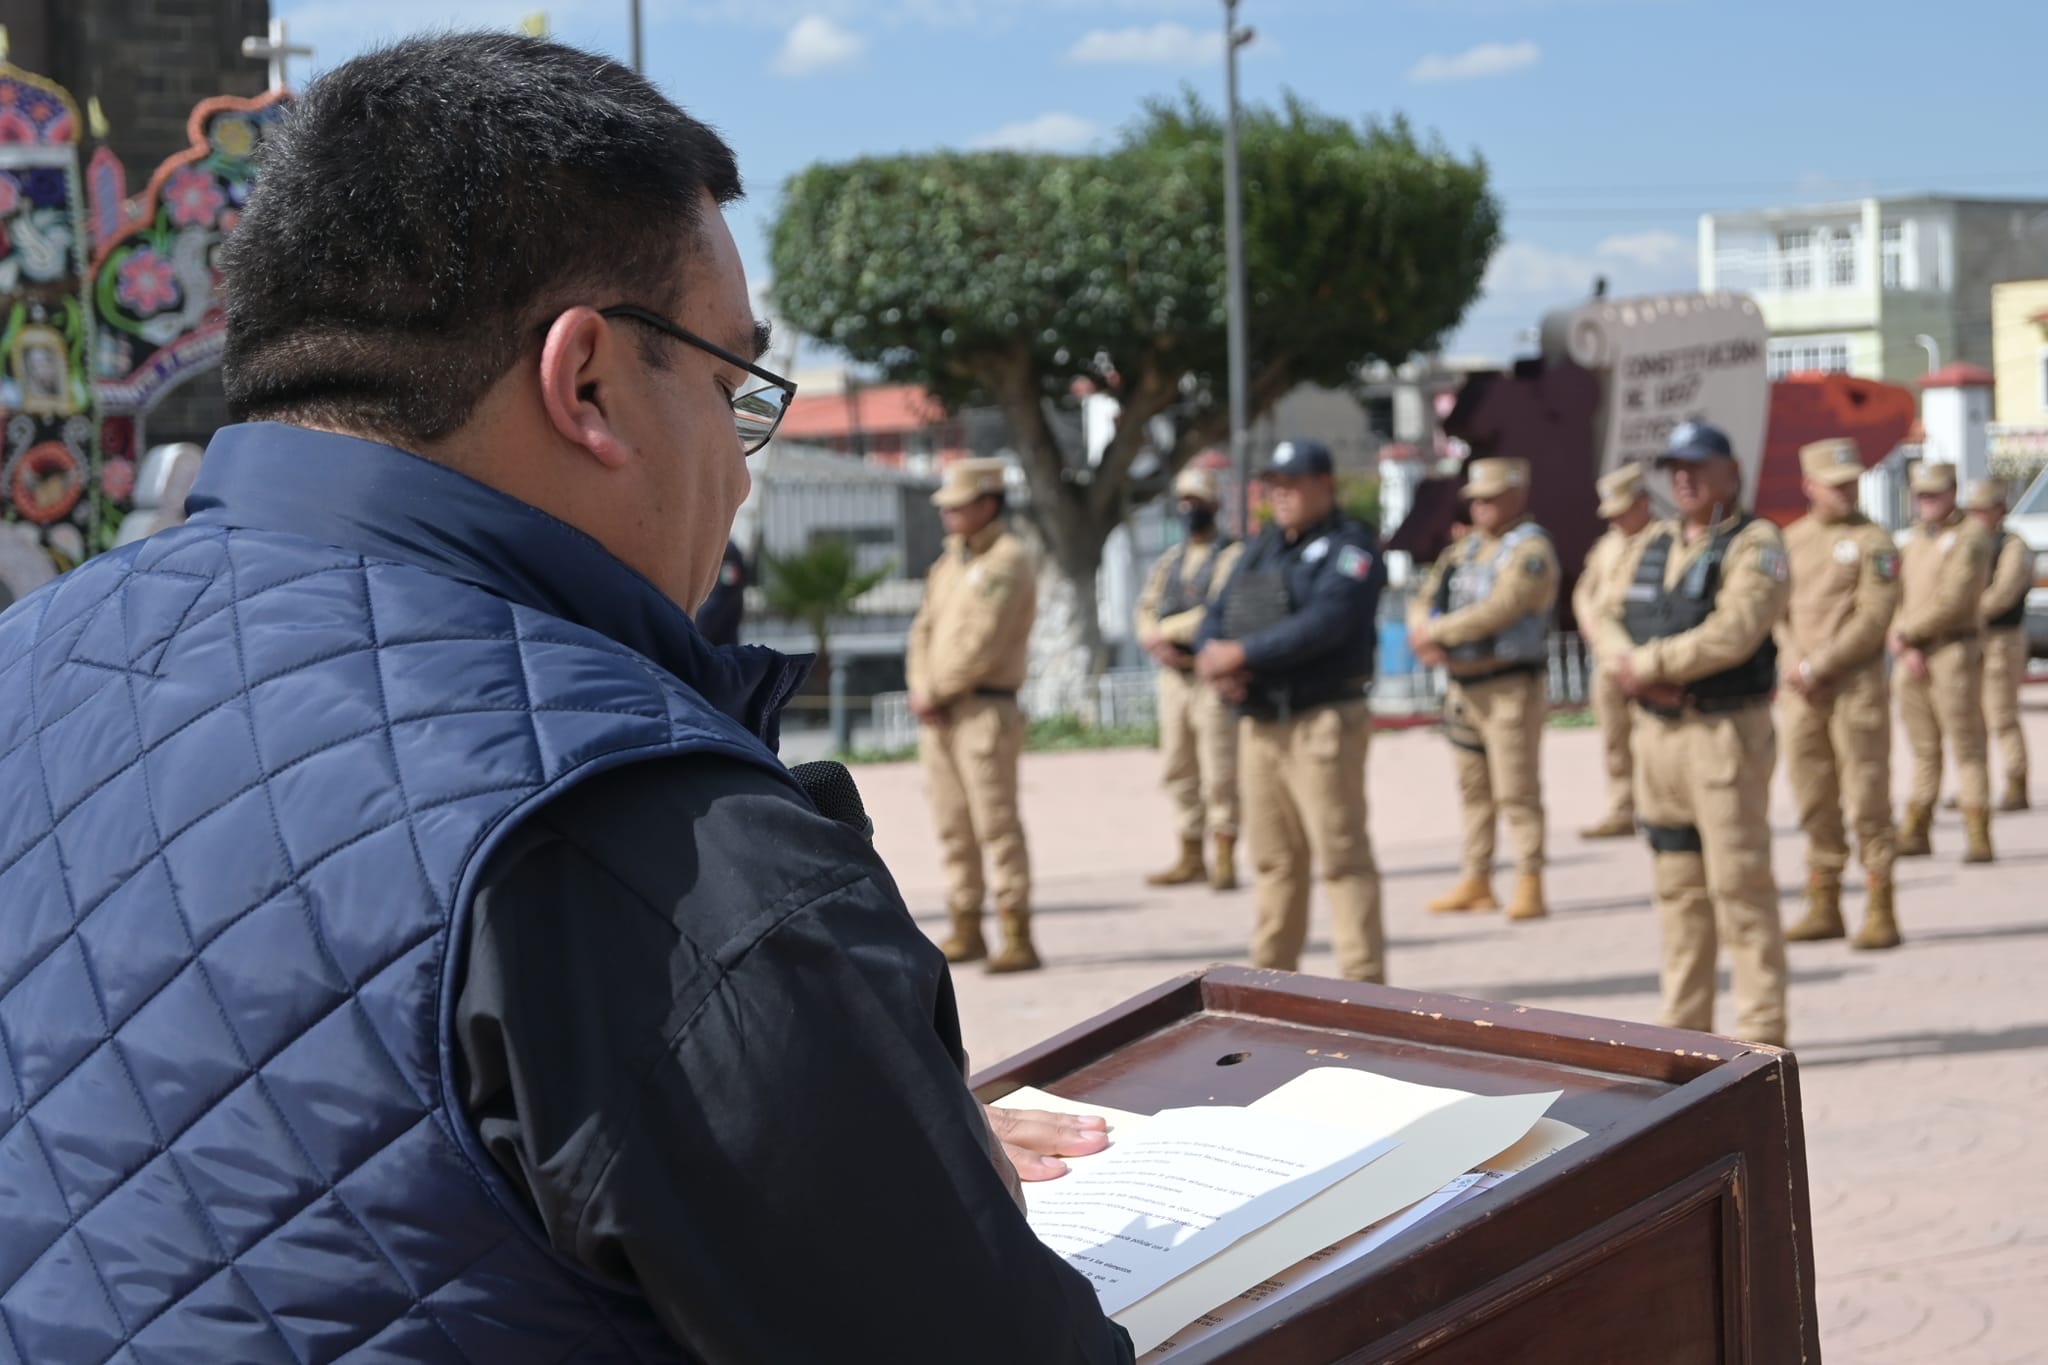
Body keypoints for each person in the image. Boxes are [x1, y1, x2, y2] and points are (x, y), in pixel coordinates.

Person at [0, 35, 1134, 1364]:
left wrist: (830, 1141)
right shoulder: (651, 840)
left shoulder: (39, 654)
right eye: (728, 388)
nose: (742, 469)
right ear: (588, 381)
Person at [1596, 421, 1791, 1047]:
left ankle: (1761, 1029)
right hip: (1659, 742)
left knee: (1739, 884)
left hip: (1722, 735)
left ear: (1730, 472)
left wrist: (1647, 666)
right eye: (1675, 468)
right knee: (1677, 890)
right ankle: (1686, 1031)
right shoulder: (1651, 541)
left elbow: (1736, 631)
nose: (1684, 478)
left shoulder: (1754, 543)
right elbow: (1602, 613)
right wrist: (1623, 664)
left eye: (1698, 466)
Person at [1196, 438, 1388, 981]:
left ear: (1324, 485)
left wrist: (1245, 654)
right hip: (1261, 723)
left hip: (1321, 721)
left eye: (1291, 484)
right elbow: (1220, 610)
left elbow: (1327, 623)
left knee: (1342, 857)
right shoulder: (1262, 548)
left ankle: (1365, 987)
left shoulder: (1352, 548)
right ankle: (1273, 984)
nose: (1279, 496)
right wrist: (1218, 658)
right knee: (1274, 863)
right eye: (1273, 485)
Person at [1408, 456, 1558, 921]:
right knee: (1473, 790)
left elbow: (1502, 607)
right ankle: (1477, 879)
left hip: (1509, 687)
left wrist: (1439, 632)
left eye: (1491, 499)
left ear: (1517, 496)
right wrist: (1421, 630)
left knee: (1517, 791)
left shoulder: (1530, 551)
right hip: (1463, 687)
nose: (1481, 508)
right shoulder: (1464, 549)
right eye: (1476, 500)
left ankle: (1529, 880)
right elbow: (1425, 596)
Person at [908, 456, 1042, 973]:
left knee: (996, 823)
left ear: (988, 503)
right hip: (940, 712)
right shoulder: (949, 561)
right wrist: (922, 687)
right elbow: (922, 630)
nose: (948, 514)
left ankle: (1017, 931)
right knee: (952, 823)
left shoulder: (1009, 559)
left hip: (985, 707)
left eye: (958, 506)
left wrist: (935, 690)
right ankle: (966, 924)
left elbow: (984, 643)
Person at [1778, 439, 1903, 949]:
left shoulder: (1875, 541)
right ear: (1809, 485)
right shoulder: (1788, 540)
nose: (1847, 491)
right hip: (1802, 692)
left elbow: (1874, 617)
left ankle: (1880, 905)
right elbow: (1775, 613)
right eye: (1836, 484)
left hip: (1854, 688)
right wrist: (1793, 662)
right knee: (1813, 796)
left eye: (1852, 481)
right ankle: (1824, 901)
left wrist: (1819, 664)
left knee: (1867, 796)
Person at [1134, 465, 1244, 889]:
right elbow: (1145, 606)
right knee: (1178, 766)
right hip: (1173, 675)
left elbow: (1216, 610)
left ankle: (1224, 852)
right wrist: (1151, 637)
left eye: (1196, 503)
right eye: (1182, 503)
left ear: (1214, 506)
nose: (1188, 511)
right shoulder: (1171, 559)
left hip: (1209, 675)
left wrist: (1166, 631)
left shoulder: (1230, 555)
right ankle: (1190, 851)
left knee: (1219, 767)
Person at [1892, 461, 1995, 863]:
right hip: (1913, 654)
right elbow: (1897, 597)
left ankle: (1977, 829)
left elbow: (1954, 600)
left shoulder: (1970, 537)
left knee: (1967, 745)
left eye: (1935, 493)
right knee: (1922, 748)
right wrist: (1905, 641)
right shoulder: (1914, 540)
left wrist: (1906, 633)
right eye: (1921, 495)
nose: (1927, 502)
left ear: (1953, 492)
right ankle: (1917, 828)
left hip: (1953, 650)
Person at [1573, 462, 1654, 839]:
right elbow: (1584, 591)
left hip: (1643, 655)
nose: (1617, 519)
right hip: (1607, 658)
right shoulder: (1607, 545)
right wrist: (1590, 622)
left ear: (1643, 502)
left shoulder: (1663, 540)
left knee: (1650, 736)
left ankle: (1657, 808)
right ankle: (1621, 808)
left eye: (1623, 510)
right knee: (1614, 738)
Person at [1966, 478, 2033, 811]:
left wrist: (1964, 614)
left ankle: (2016, 780)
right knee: (1970, 717)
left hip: (2001, 640)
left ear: (1999, 510)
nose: (1976, 517)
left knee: (2000, 713)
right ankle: (1975, 786)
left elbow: (2004, 593)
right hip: (1970, 640)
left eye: (1982, 510)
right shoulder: (1970, 544)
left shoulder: (2012, 546)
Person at [694, 537, 747, 645]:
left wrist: (699, 625)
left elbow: (725, 595)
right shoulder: (721, 548)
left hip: (719, 640)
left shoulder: (727, 551)